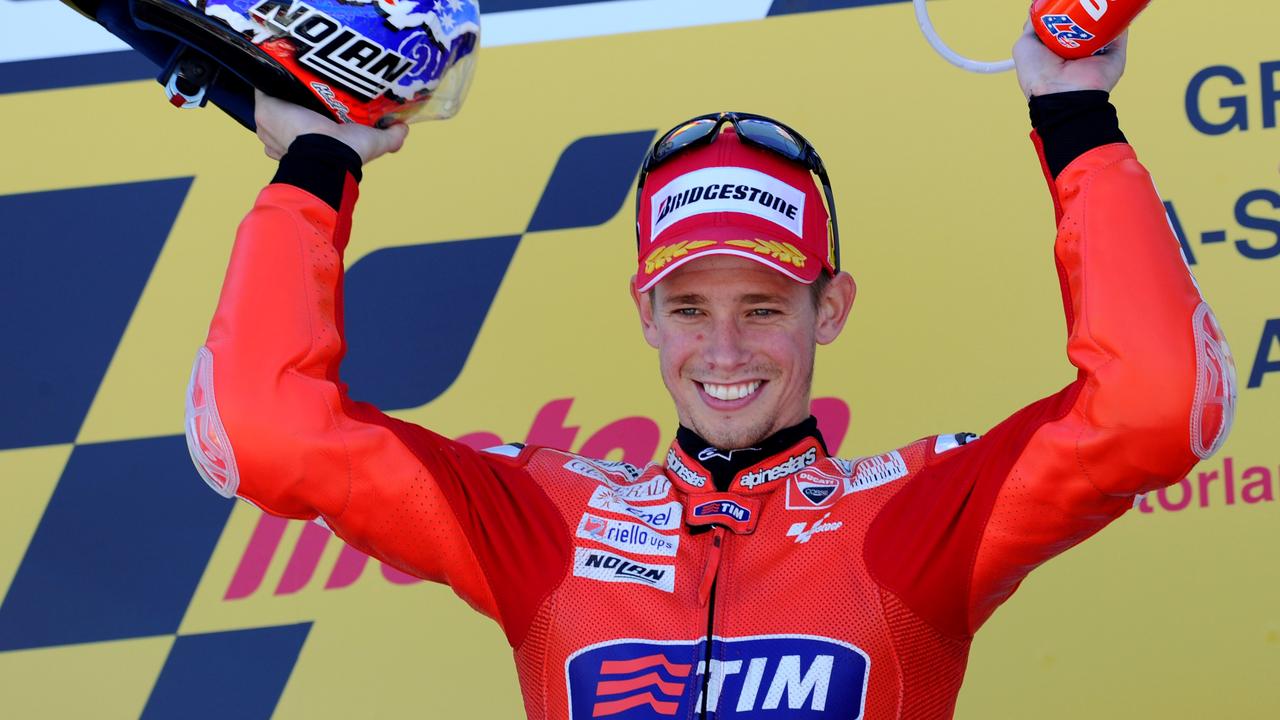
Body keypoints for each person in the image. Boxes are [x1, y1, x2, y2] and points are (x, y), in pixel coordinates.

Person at [184, 24, 1235, 719]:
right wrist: (315, 164)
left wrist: (1070, 112)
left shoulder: (912, 520)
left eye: (764, 308)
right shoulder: (547, 519)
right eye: (689, 308)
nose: (723, 352)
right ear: (645, 316)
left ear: (831, 307)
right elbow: (262, 431)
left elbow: (1153, 403)